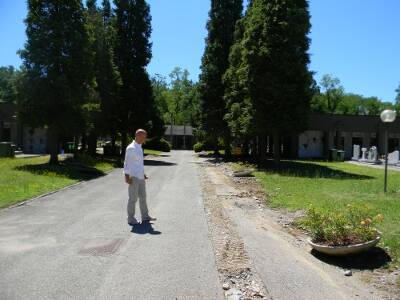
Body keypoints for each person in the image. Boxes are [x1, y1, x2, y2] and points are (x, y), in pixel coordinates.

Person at [123, 129, 156, 226]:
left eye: (145, 137)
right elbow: (127, 163)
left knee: (143, 197)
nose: (144, 139)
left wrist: (143, 173)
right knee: (133, 199)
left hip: (140, 176)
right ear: (137, 136)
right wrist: (126, 177)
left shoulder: (139, 147)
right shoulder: (131, 148)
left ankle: (145, 216)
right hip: (133, 177)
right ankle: (131, 219)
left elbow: (138, 163)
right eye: (143, 137)